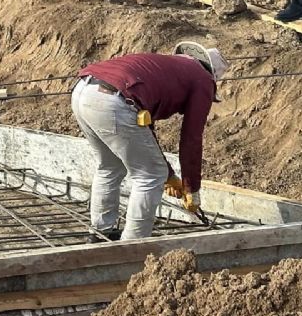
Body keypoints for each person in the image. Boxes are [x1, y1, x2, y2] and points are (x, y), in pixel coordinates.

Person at [70, 42, 228, 241]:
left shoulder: (166, 68)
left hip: (82, 90)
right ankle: (133, 245)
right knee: (150, 175)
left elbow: (143, 131)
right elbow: (191, 139)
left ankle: (101, 232)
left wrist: (170, 176)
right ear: (212, 75)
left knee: (110, 166)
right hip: (114, 102)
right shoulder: (203, 80)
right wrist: (192, 188)